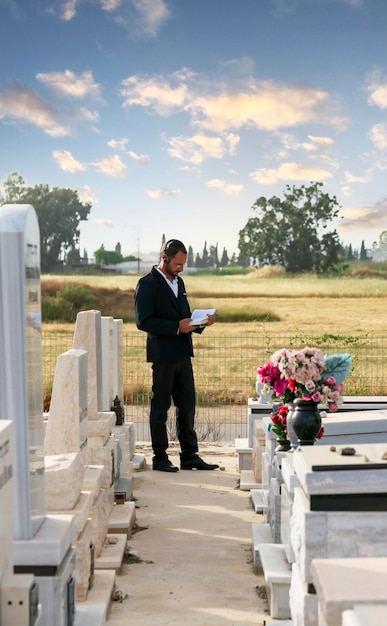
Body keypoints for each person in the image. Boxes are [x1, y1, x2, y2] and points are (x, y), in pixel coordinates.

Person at [134, 238, 219, 472]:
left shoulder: (179, 283)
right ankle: (160, 457)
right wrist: (175, 327)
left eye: (183, 264)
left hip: (183, 354)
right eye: (178, 264)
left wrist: (202, 322)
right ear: (165, 258)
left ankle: (189, 456)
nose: (181, 268)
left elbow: (185, 317)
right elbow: (143, 321)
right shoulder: (147, 284)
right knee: (160, 408)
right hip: (163, 357)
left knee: (188, 406)